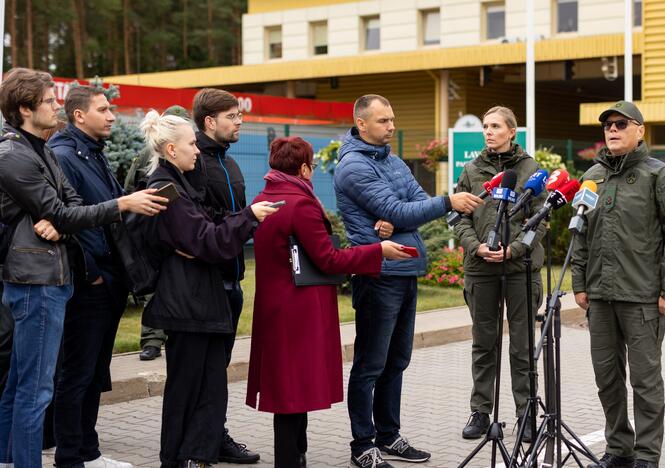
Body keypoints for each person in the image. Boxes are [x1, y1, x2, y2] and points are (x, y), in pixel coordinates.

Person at [0, 67, 167, 468]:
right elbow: (62, 209)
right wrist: (120, 205)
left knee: (24, 383)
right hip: (36, 280)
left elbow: (69, 208)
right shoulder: (14, 154)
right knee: (35, 389)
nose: (56, 106)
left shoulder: (40, 148)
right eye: (48, 101)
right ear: (24, 108)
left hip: (50, 276)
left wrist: (61, 218)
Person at [334, 94, 483, 468]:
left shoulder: (395, 161)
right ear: (361, 123)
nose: (391, 126)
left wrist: (396, 221)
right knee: (370, 363)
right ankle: (362, 444)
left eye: (392, 118)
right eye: (383, 121)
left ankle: (388, 436)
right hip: (378, 275)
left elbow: (412, 208)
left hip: (405, 271)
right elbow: (402, 208)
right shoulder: (353, 167)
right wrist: (446, 202)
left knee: (396, 361)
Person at [246, 136, 410, 468]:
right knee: (292, 394)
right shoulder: (301, 204)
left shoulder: (265, 197)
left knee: (287, 389)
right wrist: (377, 251)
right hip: (299, 308)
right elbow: (330, 259)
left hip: (275, 306)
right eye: (313, 166)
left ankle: (297, 457)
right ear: (304, 168)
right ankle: (291, 460)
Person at [136, 110, 276, 468]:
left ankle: (199, 455)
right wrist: (249, 217)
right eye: (190, 144)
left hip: (201, 301)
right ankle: (181, 458)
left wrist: (239, 219)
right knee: (188, 387)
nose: (197, 151)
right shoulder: (165, 191)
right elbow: (207, 240)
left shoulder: (182, 185)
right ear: (171, 149)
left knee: (210, 384)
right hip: (187, 305)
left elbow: (208, 226)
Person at [572, 101, 665, 468]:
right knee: (607, 379)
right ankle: (619, 448)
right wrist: (580, 283)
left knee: (645, 382)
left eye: (620, 124)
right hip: (601, 297)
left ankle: (646, 455)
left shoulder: (660, 176)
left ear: (639, 130)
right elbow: (580, 233)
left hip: (642, 297)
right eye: (607, 125)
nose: (612, 130)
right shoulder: (592, 176)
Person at [47, 85, 133, 468]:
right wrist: (93, 274)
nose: (112, 115)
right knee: (77, 373)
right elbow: (70, 222)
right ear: (79, 116)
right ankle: (70, 457)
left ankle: (89, 450)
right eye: (103, 109)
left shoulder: (92, 154)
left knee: (95, 370)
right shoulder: (65, 156)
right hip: (88, 283)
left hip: (109, 281)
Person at [454, 106, 547, 442]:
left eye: (495, 126)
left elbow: (542, 220)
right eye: (485, 126)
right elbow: (461, 216)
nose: (488, 132)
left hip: (520, 268)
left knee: (522, 346)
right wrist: (475, 246)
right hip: (480, 268)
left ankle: (526, 414)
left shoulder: (531, 169)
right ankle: (480, 412)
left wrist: (516, 249)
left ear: (512, 132)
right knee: (484, 343)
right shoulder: (472, 169)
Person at [185, 88, 259, 463]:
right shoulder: (194, 161)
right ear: (209, 122)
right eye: (232, 116)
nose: (239, 121)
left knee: (218, 370)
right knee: (203, 372)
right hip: (205, 284)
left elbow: (239, 215)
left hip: (233, 283)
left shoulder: (229, 162)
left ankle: (215, 436)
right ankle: (200, 444)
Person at [123, 105, 191, 362]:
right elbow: (130, 188)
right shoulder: (146, 155)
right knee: (154, 288)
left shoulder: (192, 153)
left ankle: (174, 337)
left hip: (182, 228)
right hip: (152, 229)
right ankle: (151, 340)